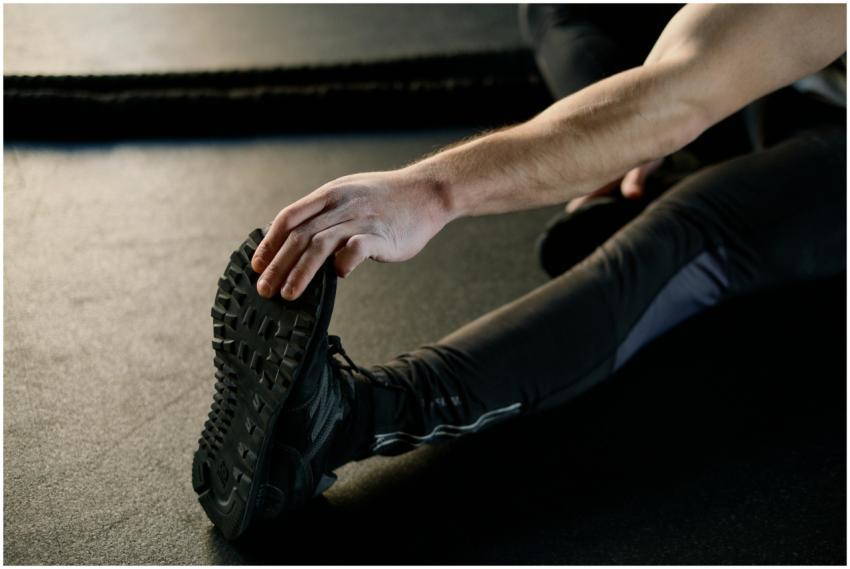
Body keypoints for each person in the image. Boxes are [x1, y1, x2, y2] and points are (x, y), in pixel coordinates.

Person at [192, 4, 846, 539]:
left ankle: (344, 422)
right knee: (566, 11)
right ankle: (658, 158)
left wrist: (430, 190)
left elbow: (681, 90)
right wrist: (642, 127)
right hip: (801, 88)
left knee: (695, 227)